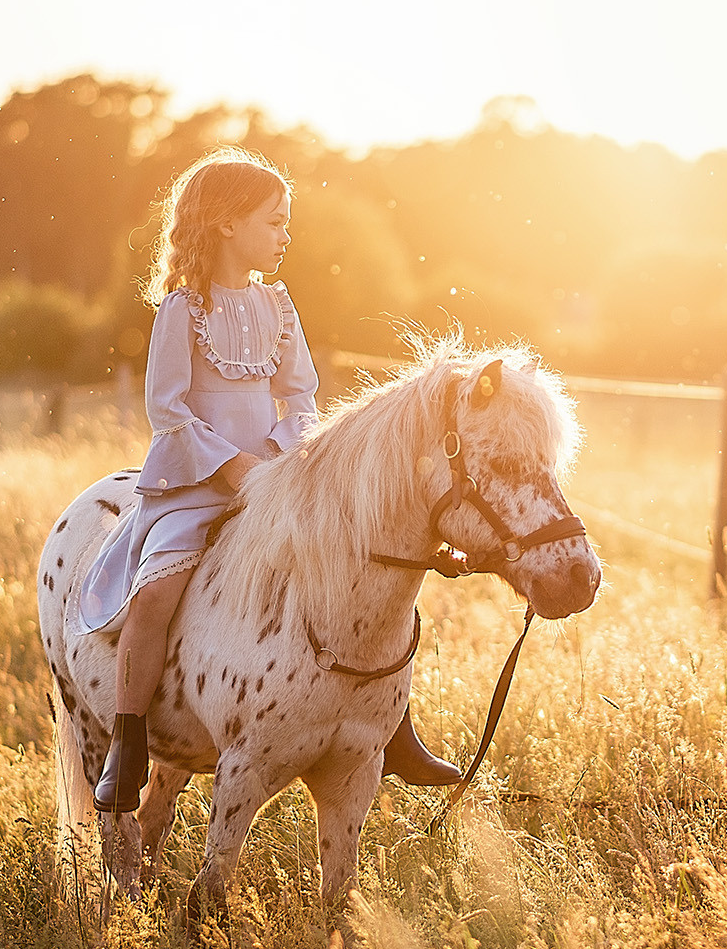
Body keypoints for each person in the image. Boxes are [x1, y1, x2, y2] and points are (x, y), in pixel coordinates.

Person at [74, 147, 462, 813]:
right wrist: (233, 466)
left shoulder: (279, 305)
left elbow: (301, 396)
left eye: (286, 223)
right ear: (227, 223)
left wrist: (283, 464)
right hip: (194, 481)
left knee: (368, 575)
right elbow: (167, 408)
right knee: (156, 593)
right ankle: (130, 738)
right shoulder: (182, 309)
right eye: (274, 222)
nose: (285, 235)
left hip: (276, 480)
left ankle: (394, 728)